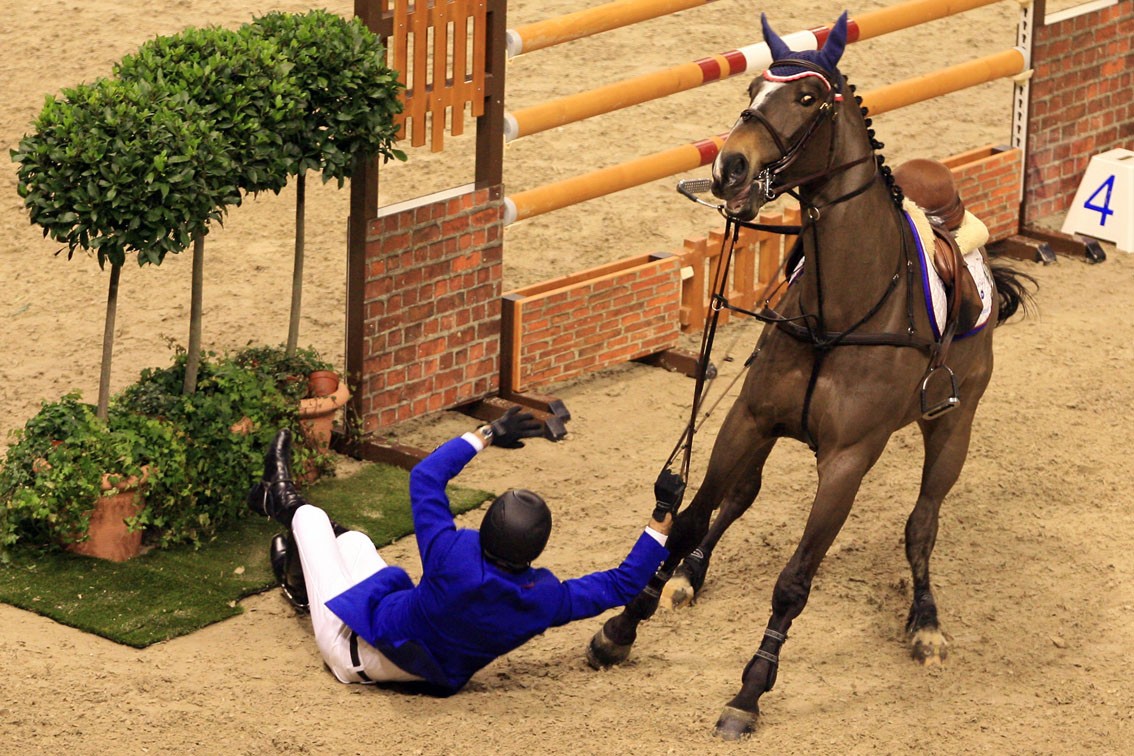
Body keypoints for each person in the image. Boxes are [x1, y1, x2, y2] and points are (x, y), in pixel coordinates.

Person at [247, 406, 683, 694]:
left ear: (488, 527)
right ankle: (298, 579)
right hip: (431, 674)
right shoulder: (543, 598)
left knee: (312, 520)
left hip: (350, 650)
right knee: (356, 542)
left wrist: (486, 433)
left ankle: (274, 498)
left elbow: (425, 478)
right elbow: (623, 583)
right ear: (534, 551)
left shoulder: (453, 554)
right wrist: (662, 512)